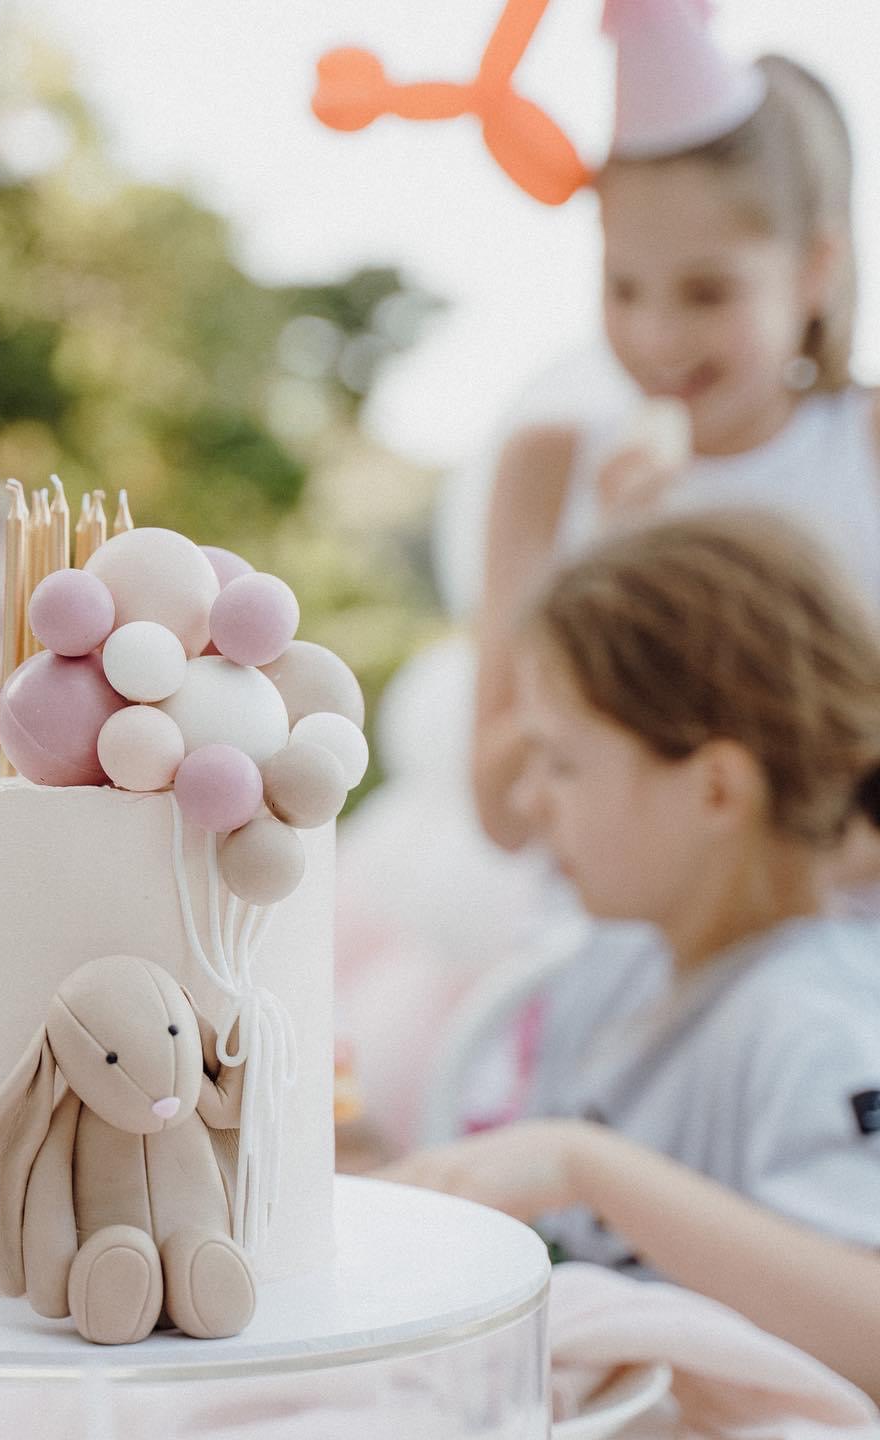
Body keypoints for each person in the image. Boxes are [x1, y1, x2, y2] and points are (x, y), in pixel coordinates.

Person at [386, 512, 880, 1397]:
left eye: (561, 764)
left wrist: (592, 1168)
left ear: (717, 788)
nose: (531, 801)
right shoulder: (611, 968)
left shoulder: (821, 1021)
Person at [474, 10, 877, 850]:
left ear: (815, 269)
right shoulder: (548, 470)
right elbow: (504, 811)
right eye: (624, 288)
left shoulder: (866, 447)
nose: (656, 339)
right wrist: (605, 576)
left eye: (707, 292)